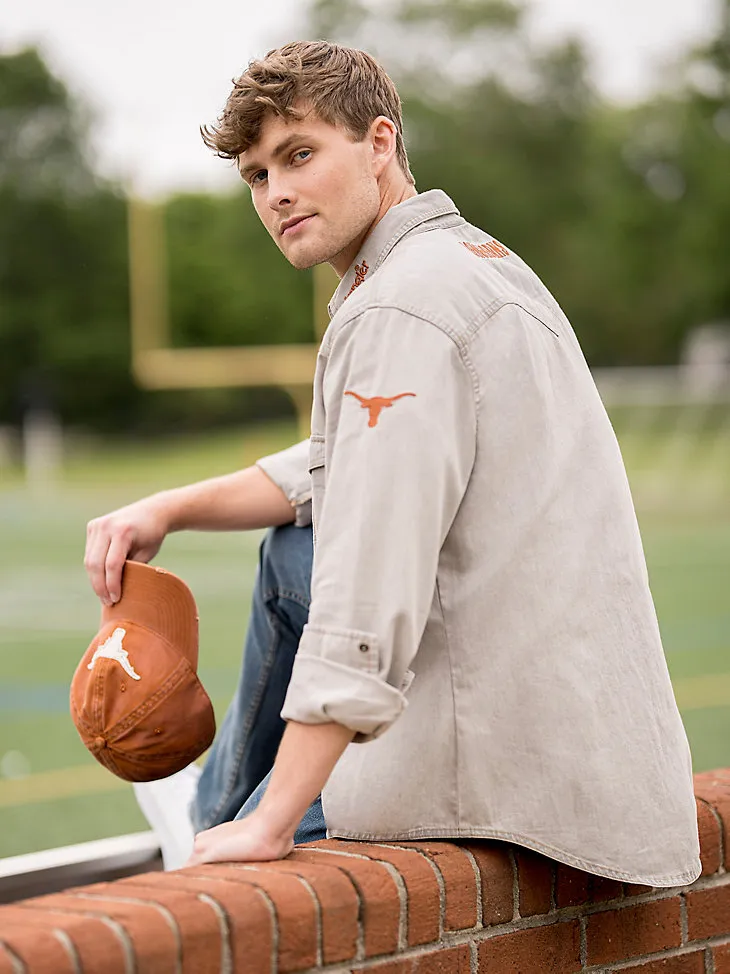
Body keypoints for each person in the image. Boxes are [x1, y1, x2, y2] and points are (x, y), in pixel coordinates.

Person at [84, 40, 701, 885]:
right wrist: (169, 507)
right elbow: (342, 463)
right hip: (587, 749)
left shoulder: (401, 308)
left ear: (379, 144)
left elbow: (368, 589)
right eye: (258, 176)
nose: (278, 193)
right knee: (291, 550)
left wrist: (271, 822)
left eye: (299, 155)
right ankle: (211, 818)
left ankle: (217, 824)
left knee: (319, 567)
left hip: (499, 786)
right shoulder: (478, 266)